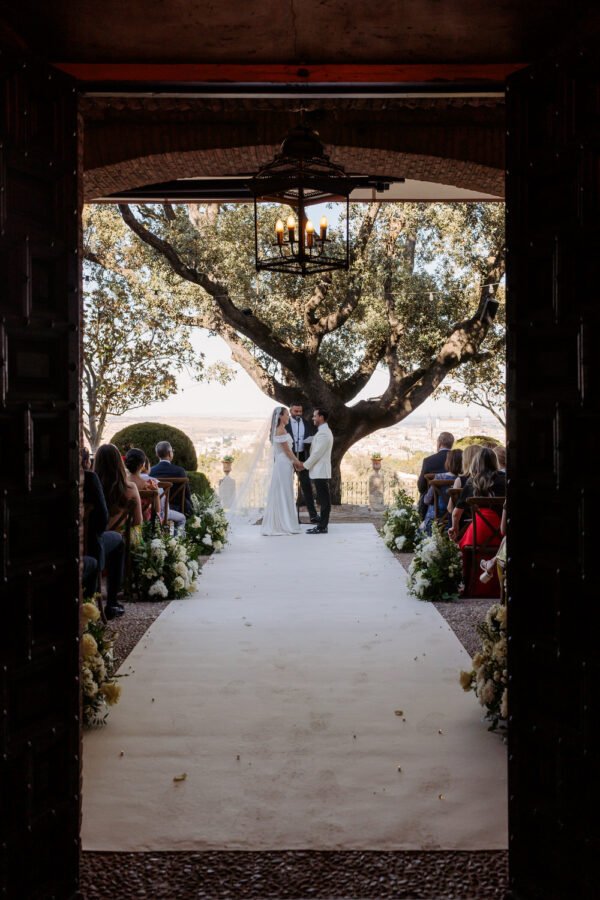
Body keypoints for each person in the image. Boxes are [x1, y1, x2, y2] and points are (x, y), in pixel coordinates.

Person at [83, 447, 127, 619]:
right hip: (92, 544)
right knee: (118, 541)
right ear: (86, 461)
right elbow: (102, 520)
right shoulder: (89, 478)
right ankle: (112, 602)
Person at [448, 447, 506, 546]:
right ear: (495, 462)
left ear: (475, 463)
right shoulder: (505, 480)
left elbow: (455, 514)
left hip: (476, 535)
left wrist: (455, 528)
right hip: (502, 535)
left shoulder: (472, 482)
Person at [261, 406, 302, 536]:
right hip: (284, 463)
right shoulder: (281, 431)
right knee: (284, 491)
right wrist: (297, 462)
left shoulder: (279, 430)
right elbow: (287, 451)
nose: (288, 417)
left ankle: (280, 521)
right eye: (286, 414)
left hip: (283, 463)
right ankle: (284, 523)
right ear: (280, 416)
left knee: (283, 491)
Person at [296, 408, 334, 535]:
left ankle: (322, 527)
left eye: (315, 416)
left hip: (321, 471)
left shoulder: (324, 433)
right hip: (319, 470)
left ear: (321, 417)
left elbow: (317, 453)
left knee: (324, 500)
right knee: (323, 499)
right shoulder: (322, 432)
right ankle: (321, 525)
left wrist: (304, 465)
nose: (313, 418)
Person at [94, 443, 143, 533]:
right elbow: (138, 521)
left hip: (92, 540)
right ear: (119, 463)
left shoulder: (89, 489)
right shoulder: (130, 488)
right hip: (120, 539)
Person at [285, 401, 319, 523]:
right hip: (287, 459)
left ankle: (313, 515)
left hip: (303, 459)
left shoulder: (306, 423)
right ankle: (288, 516)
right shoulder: (284, 423)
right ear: (290, 411)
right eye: (296, 411)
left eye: (300, 411)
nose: (299, 413)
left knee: (307, 487)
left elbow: (313, 437)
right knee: (286, 487)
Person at [421, 447, 463, 534]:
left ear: (448, 462)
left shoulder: (439, 477)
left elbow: (427, 500)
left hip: (438, 516)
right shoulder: (465, 479)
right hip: (459, 517)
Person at [417, 432, 454, 518]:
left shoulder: (429, 461)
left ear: (439, 443)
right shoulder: (459, 461)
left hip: (434, 505)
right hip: (455, 505)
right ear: (452, 444)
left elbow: (421, 487)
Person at [150, 441, 192, 516]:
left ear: (157, 454)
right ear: (170, 453)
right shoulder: (180, 471)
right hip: (177, 509)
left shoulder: (151, 471)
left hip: (156, 509)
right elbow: (187, 494)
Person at [124, 448, 160, 522]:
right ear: (142, 465)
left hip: (124, 523)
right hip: (144, 524)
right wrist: (156, 492)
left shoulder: (120, 483)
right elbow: (157, 511)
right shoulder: (150, 485)